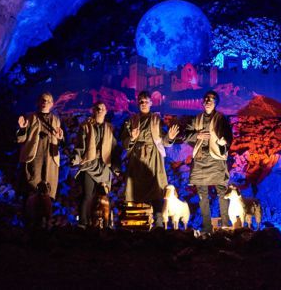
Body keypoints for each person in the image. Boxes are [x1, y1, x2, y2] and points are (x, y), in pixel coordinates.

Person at [178, 90, 233, 234]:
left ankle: (226, 224)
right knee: (202, 194)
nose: (208, 101)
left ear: (216, 103)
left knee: (222, 192)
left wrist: (223, 141)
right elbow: (186, 135)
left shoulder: (221, 118)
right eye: (206, 98)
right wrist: (198, 135)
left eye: (212, 99)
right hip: (201, 159)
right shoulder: (197, 119)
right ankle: (207, 226)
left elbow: (228, 136)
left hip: (216, 159)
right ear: (203, 102)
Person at [122, 90, 180, 227]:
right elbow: (125, 142)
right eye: (141, 101)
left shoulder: (156, 120)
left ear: (151, 103)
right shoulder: (131, 120)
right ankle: (136, 224)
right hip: (137, 158)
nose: (143, 104)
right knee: (135, 189)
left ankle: (159, 223)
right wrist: (132, 138)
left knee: (156, 189)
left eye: (146, 101)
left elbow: (164, 141)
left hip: (154, 158)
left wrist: (170, 137)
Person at [72, 101, 118, 227]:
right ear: (93, 110)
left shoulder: (109, 128)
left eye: (102, 108)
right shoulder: (85, 126)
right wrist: (76, 158)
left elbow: (113, 148)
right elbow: (80, 145)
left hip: (104, 166)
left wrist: (115, 166)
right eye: (97, 108)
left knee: (103, 197)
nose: (99, 110)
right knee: (87, 195)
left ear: (106, 111)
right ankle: (83, 223)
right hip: (90, 164)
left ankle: (105, 223)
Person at [15, 92, 64, 202]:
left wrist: (59, 138)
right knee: (30, 189)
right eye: (43, 100)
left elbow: (62, 141)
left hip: (50, 160)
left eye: (48, 101)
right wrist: (22, 129)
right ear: (38, 102)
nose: (45, 102)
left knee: (47, 192)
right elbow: (20, 139)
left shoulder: (56, 120)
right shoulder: (30, 117)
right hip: (34, 158)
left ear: (52, 104)